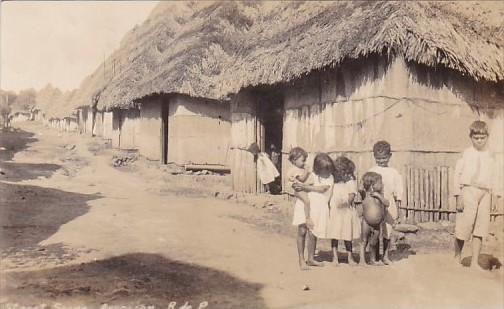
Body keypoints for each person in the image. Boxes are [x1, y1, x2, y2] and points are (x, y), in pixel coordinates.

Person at [453, 120, 502, 271]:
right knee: (464, 226)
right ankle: (457, 256)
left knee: (481, 228)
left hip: (485, 193)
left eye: (482, 138)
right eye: (476, 138)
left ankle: (474, 262)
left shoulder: (491, 155)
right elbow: (457, 175)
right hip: (469, 190)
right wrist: (458, 195)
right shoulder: (466, 153)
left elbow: (496, 176)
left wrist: (495, 195)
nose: (479, 141)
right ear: (471, 137)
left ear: (487, 137)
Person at [293, 152, 334, 269]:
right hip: (305, 205)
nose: (326, 173)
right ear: (317, 168)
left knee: (313, 233)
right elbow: (297, 186)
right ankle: (301, 260)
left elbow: (322, 189)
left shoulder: (330, 177)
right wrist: (301, 187)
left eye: (328, 170)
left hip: (319, 208)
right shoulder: (311, 175)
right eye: (324, 170)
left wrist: (305, 187)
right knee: (302, 231)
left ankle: (311, 258)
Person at [367, 140, 403, 265]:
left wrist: (399, 208)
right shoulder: (372, 170)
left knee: (387, 230)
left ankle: (385, 255)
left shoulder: (394, 172)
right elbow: (366, 187)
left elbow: (399, 191)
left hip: (389, 203)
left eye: (384, 158)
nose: (381, 161)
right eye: (378, 158)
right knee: (375, 230)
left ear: (390, 156)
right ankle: (374, 256)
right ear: (374, 157)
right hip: (375, 203)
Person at [327, 156, 360, 266]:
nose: (341, 174)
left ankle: (350, 256)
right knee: (334, 233)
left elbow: (351, 196)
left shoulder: (350, 182)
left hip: (346, 211)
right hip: (335, 211)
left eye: (343, 171)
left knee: (347, 234)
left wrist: (344, 202)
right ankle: (335, 257)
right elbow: (329, 194)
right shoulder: (333, 182)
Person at [359, 172, 389, 266]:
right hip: (366, 222)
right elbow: (360, 188)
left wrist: (379, 196)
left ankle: (372, 260)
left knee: (374, 242)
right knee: (364, 241)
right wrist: (364, 181)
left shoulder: (380, 195)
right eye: (380, 183)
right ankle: (362, 260)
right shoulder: (365, 194)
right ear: (372, 185)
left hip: (377, 224)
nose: (382, 184)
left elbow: (387, 203)